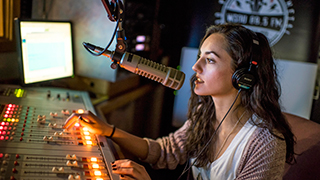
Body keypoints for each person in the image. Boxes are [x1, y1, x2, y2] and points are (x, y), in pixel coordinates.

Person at [63, 23, 295, 180]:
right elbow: (164, 152)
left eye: (210, 60)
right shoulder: (205, 114)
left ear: (243, 75)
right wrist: (110, 131)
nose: (196, 67)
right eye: (199, 57)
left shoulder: (265, 142)